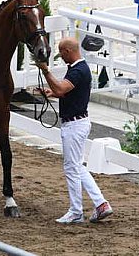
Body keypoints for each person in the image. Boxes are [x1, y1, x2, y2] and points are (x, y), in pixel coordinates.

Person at [36, 37, 113, 224]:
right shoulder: (78, 69)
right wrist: (51, 92)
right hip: (77, 122)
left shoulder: (78, 70)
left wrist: (46, 72)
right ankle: (100, 203)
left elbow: (62, 89)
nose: (60, 56)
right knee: (77, 166)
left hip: (74, 125)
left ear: (68, 51)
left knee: (71, 168)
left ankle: (76, 210)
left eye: (61, 53)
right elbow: (66, 92)